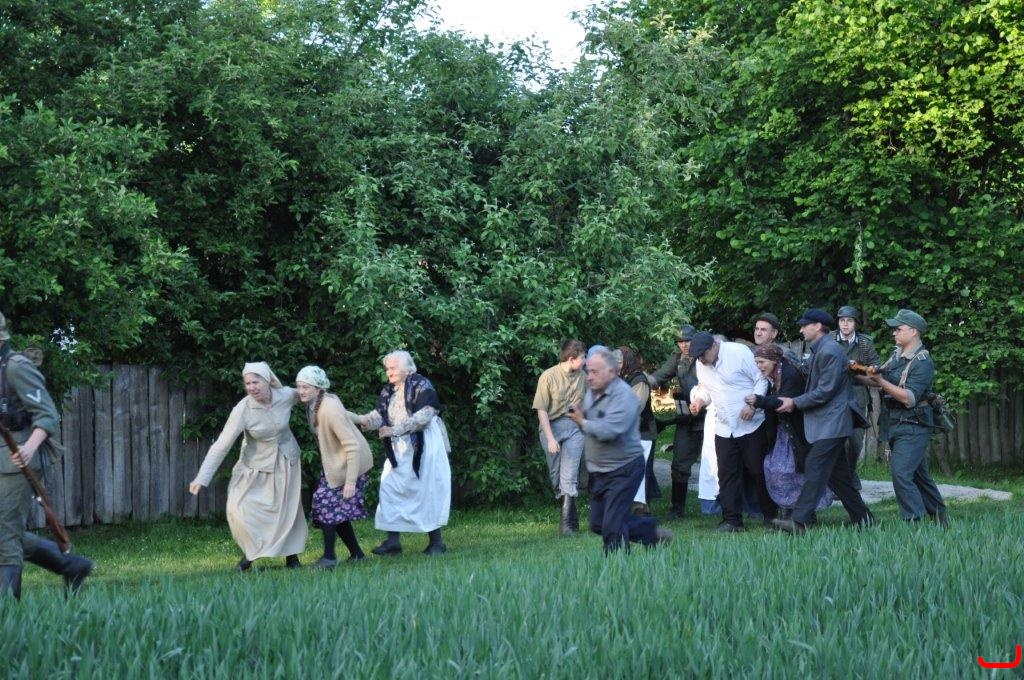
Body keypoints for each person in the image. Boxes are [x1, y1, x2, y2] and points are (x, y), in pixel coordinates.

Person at [0, 311, 93, 600]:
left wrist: (29, 447)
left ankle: (6, 613)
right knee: (8, 531)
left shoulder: (16, 368)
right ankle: (72, 565)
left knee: (4, 537)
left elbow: (48, 414)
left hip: (17, 461)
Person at [189, 362, 308, 571]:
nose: (251, 387)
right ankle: (251, 553)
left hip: (285, 460)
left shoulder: (286, 395)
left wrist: (331, 407)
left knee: (287, 509)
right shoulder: (243, 409)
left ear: (267, 380)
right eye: (248, 383)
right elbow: (221, 445)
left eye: (255, 382)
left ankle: (292, 558)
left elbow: (310, 395)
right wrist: (202, 477)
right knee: (240, 510)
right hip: (254, 465)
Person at [773, 309, 874, 534]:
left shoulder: (830, 351)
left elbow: (825, 391)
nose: (801, 330)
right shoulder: (821, 349)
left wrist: (794, 402)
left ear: (817, 326)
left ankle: (799, 522)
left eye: (804, 325)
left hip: (833, 422)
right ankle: (865, 520)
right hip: (829, 422)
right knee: (839, 479)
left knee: (815, 466)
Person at [566, 347, 669, 553]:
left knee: (612, 527)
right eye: (588, 371)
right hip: (601, 471)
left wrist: (582, 422)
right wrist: (580, 415)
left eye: (594, 372)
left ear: (611, 372)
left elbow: (610, 431)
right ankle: (649, 532)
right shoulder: (593, 392)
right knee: (598, 524)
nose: (589, 376)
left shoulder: (625, 397)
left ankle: (617, 566)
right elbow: (591, 423)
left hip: (624, 469)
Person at [358, 351, 451, 556]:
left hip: (425, 444)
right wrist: (363, 421)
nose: (388, 372)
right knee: (390, 487)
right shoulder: (389, 391)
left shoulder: (422, 384)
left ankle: (437, 543)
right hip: (399, 447)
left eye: (393, 368)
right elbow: (379, 415)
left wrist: (395, 430)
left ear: (407, 368)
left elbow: (425, 416)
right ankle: (393, 542)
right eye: (387, 369)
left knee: (427, 490)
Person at [859, 309, 947, 525]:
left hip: (914, 424)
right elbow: (879, 379)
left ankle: (914, 522)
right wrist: (855, 375)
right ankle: (940, 518)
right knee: (919, 475)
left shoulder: (923, 361)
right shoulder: (896, 356)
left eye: (898, 329)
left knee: (901, 474)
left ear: (913, 331)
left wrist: (880, 381)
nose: (894, 333)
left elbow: (909, 398)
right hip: (896, 422)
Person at [687, 331, 776, 532]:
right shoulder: (702, 364)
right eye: (697, 357)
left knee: (758, 471)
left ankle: (771, 516)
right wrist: (700, 400)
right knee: (726, 474)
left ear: (713, 346)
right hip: (724, 427)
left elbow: (761, 379)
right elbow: (708, 389)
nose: (700, 360)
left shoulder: (739, 353)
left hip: (751, 424)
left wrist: (753, 405)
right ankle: (732, 521)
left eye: (702, 355)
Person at [295, 366, 373, 567]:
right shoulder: (316, 402)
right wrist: (361, 419)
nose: (301, 391)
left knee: (326, 506)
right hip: (334, 464)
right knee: (335, 510)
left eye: (305, 387)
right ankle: (357, 554)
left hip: (349, 465)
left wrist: (350, 482)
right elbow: (345, 414)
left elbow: (352, 446)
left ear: (318, 388)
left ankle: (329, 558)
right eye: (299, 386)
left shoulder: (328, 408)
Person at [744, 345, 832, 518]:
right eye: (757, 362)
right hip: (784, 431)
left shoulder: (790, 374)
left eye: (762, 362)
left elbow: (785, 403)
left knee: (791, 471)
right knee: (776, 468)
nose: (759, 366)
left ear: (773, 360)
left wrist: (758, 401)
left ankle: (803, 514)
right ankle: (789, 510)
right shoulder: (773, 375)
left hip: (799, 431)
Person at [646, 324, 705, 519]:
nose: (684, 345)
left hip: (710, 414)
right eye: (680, 341)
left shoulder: (705, 356)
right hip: (686, 415)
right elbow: (658, 377)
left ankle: (727, 506)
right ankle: (677, 508)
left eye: (687, 341)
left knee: (721, 463)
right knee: (679, 464)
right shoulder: (677, 359)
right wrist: (641, 382)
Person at [532, 339, 586, 535]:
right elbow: (541, 410)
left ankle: (566, 526)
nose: (585, 361)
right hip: (551, 428)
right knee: (556, 477)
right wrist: (550, 439)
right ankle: (571, 516)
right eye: (583, 357)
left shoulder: (583, 377)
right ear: (571, 359)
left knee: (569, 476)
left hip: (573, 429)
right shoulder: (548, 376)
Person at [834, 305, 881, 489]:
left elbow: (876, 368)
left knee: (855, 441)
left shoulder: (864, 343)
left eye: (849, 321)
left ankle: (851, 471)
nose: (845, 324)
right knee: (837, 441)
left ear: (855, 324)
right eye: (842, 320)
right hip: (834, 395)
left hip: (857, 395)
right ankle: (841, 478)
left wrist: (859, 367)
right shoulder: (829, 339)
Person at [618, 346, 659, 513]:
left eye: (619, 361)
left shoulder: (639, 380)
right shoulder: (621, 378)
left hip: (643, 433)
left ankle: (642, 509)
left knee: (641, 472)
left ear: (626, 361)